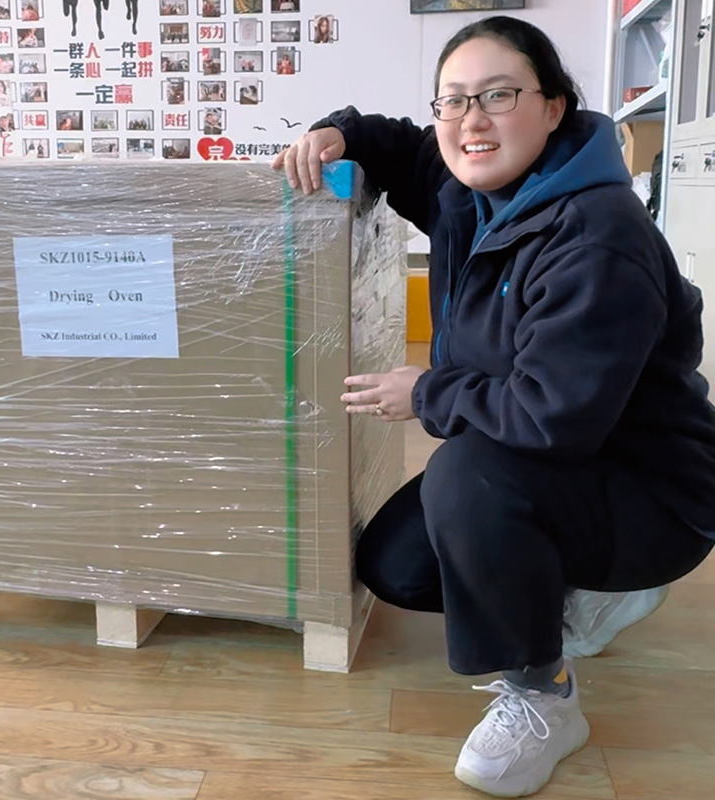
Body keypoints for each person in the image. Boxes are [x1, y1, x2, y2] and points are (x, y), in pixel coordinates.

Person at [273, 16, 715, 799]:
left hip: (653, 489)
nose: (471, 120)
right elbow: (390, 138)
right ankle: (573, 590)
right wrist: (332, 134)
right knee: (397, 567)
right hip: (554, 461)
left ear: (553, 107)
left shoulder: (598, 237)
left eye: (499, 95)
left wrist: (429, 391)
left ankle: (544, 692)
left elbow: (555, 418)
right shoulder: (463, 187)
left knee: (468, 478)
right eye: (454, 101)